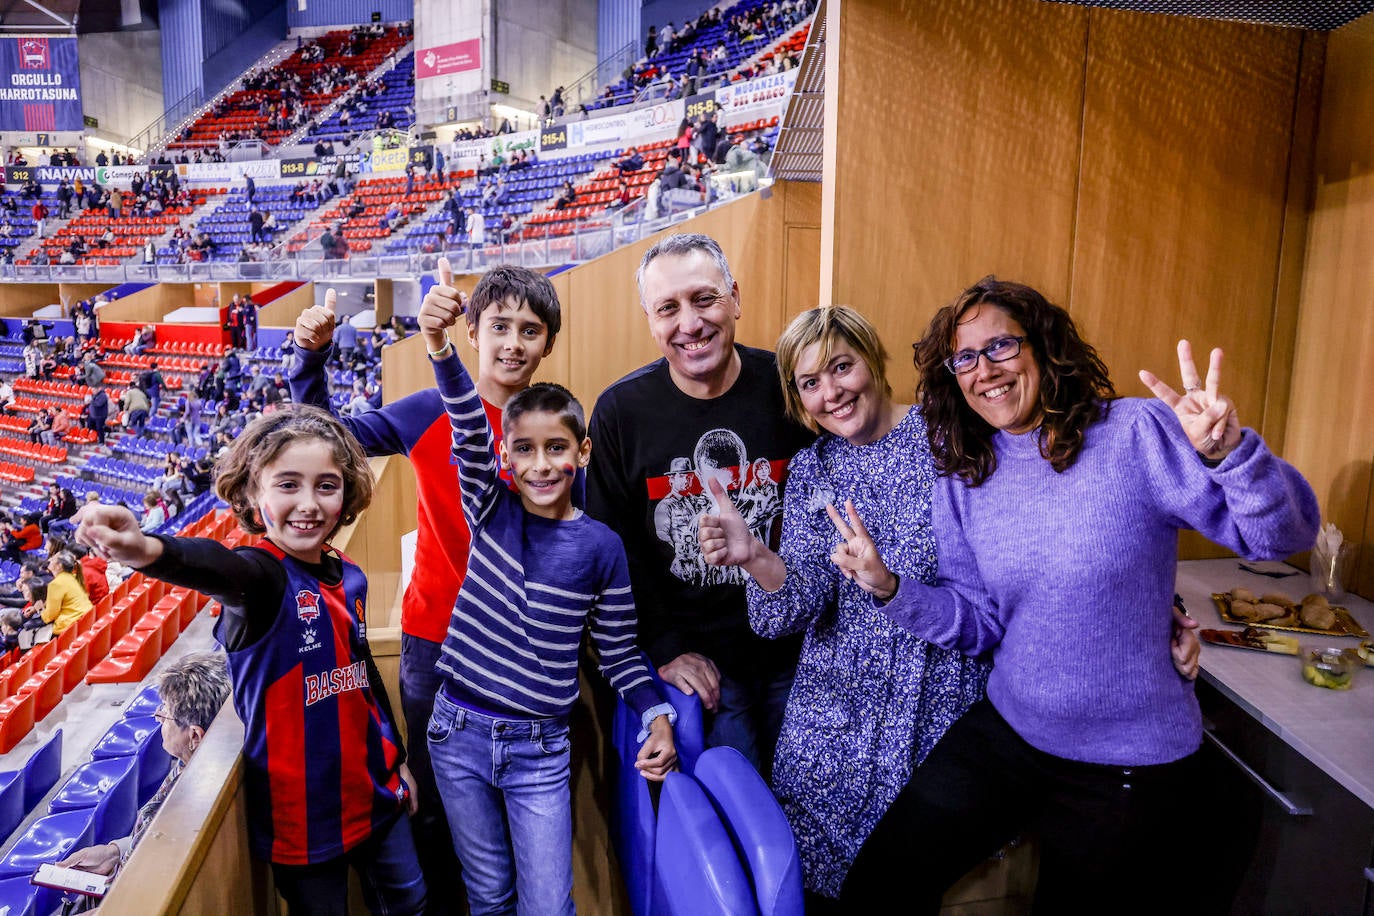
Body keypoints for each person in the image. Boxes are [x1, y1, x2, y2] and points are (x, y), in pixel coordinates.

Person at [839, 277, 1321, 912]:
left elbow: (1279, 536)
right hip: (1011, 730)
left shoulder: (1132, 433)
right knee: (875, 886)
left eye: (1002, 346)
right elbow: (981, 621)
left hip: (1125, 767)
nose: (985, 370)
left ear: (1043, 347)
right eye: (965, 357)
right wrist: (891, 589)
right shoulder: (965, 473)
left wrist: (1228, 453)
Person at [289, 263, 569, 916]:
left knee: (514, 814)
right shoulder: (427, 410)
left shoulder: (554, 429)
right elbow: (320, 440)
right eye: (499, 325)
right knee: (438, 811)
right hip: (435, 649)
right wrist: (311, 355)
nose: (513, 343)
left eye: (530, 330)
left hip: (523, 658)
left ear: (548, 344)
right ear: (471, 331)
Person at [75, 406, 426, 915]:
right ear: (253, 494)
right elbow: (220, 566)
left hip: (378, 797)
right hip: (305, 826)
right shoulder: (262, 579)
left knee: (412, 902)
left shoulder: (348, 574)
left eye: (326, 485)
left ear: (346, 493)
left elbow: (364, 676)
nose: (308, 503)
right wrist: (149, 549)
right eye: (288, 484)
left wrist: (398, 764)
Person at [695, 306, 991, 900]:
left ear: (873, 360)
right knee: (815, 891)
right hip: (831, 726)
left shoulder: (948, 439)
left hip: (931, 712)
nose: (831, 393)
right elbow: (789, 611)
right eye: (810, 383)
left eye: (841, 367)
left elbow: (1019, 552)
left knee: (908, 886)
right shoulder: (811, 470)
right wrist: (756, 556)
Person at [419, 269, 677, 916]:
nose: (541, 465)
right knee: (489, 899)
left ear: (582, 452)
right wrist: (440, 347)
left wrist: (656, 712)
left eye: (557, 448)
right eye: (525, 450)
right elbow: (466, 432)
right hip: (457, 732)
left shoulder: (601, 548)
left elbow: (618, 652)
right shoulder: (488, 506)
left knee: (547, 906)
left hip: (539, 747)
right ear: (506, 459)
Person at [587, 233, 813, 775]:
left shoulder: (789, 387)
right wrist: (665, 648)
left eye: (704, 299)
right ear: (650, 319)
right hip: (704, 671)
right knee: (735, 824)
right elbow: (614, 553)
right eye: (668, 308)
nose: (689, 324)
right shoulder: (621, 411)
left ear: (735, 297)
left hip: (802, 657)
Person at [56, 653, 232, 893]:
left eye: (166, 712)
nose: (158, 716)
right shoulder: (202, 765)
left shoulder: (197, 810)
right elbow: (156, 840)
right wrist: (116, 851)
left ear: (194, 736)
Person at [38, 551, 92, 634]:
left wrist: (40, 610)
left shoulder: (56, 583)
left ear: (60, 565)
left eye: (53, 558)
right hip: (84, 619)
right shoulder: (71, 577)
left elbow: (51, 615)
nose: (50, 559)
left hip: (70, 626)